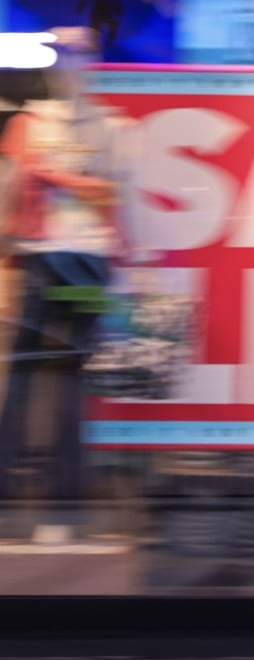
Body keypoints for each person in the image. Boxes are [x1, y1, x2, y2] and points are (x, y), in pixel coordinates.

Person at [0, 27, 127, 499]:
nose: (69, 67)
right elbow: (13, 189)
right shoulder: (32, 122)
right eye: (61, 57)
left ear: (91, 62)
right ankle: (13, 479)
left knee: (69, 372)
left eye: (77, 56)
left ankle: (66, 488)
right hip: (43, 258)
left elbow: (113, 193)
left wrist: (54, 176)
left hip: (84, 262)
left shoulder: (111, 127)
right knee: (25, 371)